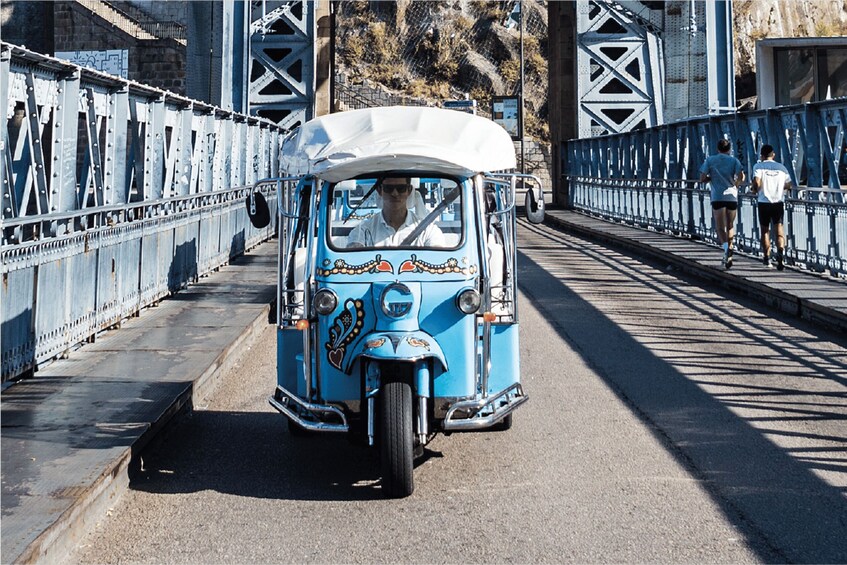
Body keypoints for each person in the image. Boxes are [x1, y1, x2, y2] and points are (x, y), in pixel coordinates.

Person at [347, 176, 445, 248]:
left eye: (401, 188)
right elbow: (352, 259)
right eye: (388, 188)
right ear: (379, 190)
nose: (395, 193)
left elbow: (438, 260)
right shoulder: (362, 231)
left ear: (409, 190)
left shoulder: (429, 231)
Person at [699, 139, 745, 269]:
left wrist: (711, 178)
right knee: (730, 226)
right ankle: (730, 250)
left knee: (720, 227)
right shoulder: (734, 161)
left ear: (718, 148)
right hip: (732, 196)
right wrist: (735, 185)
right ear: (729, 149)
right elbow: (741, 176)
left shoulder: (710, 160)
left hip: (717, 197)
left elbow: (702, 178)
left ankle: (726, 249)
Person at [751, 144, 793, 270]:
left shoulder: (758, 166)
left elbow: (757, 182)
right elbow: (789, 184)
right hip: (778, 202)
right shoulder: (781, 167)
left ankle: (767, 258)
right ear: (773, 154)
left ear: (762, 156)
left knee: (765, 231)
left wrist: (754, 190)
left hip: (764, 202)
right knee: (779, 229)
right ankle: (780, 252)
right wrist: (779, 187)